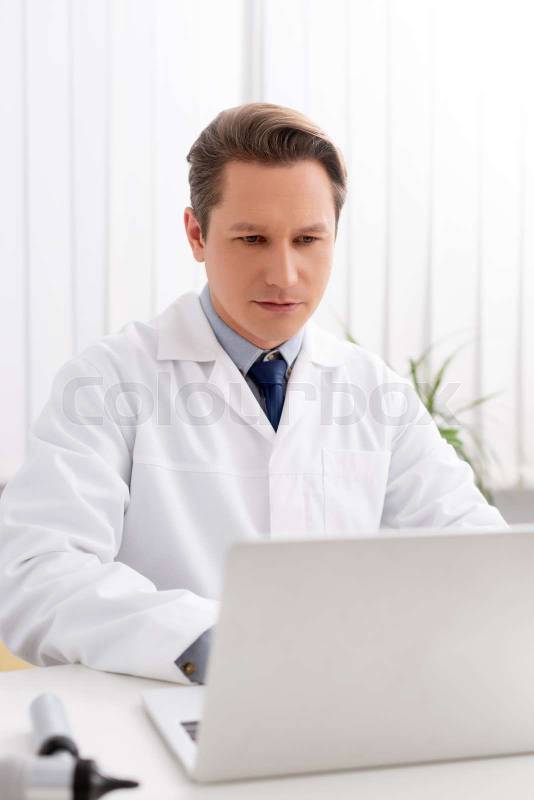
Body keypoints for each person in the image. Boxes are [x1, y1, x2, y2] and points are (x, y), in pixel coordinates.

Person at [0, 102, 506, 684]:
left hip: (341, 698)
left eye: (308, 239)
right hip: (164, 702)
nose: (285, 274)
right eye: (252, 238)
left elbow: (481, 560)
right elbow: (38, 576)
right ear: (197, 234)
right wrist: (216, 645)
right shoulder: (108, 382)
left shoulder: (375, 393)